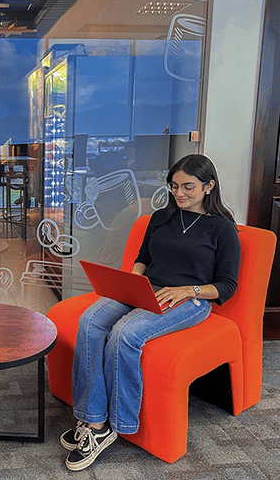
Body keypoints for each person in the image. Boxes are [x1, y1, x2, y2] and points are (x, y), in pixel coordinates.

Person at [59, 154, 241, 471]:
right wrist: (132, 279)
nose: (179, 193)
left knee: (125, 333)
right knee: (89, 321)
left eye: (188, 187)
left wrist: (189, 290)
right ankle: (91, 419)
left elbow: (226, 286)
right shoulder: (161, 217)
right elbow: (143, 257)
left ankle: (113, 425)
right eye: (174, 186)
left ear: (209, 186)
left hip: (190, 301)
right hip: (147, 288)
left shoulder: (223, 229)